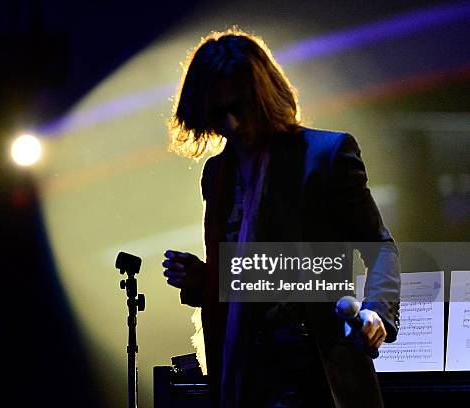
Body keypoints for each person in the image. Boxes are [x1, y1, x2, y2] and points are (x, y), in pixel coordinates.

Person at [162, 28, 401, 408]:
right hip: (246, 373)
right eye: (218, 113)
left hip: (314, 365)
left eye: (238, 108)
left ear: (263, 96)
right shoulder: (217, 173)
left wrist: (376, 311)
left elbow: (379, 245)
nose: (231, 125)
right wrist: (204, 279)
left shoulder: (326, 154)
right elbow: (253, 275)